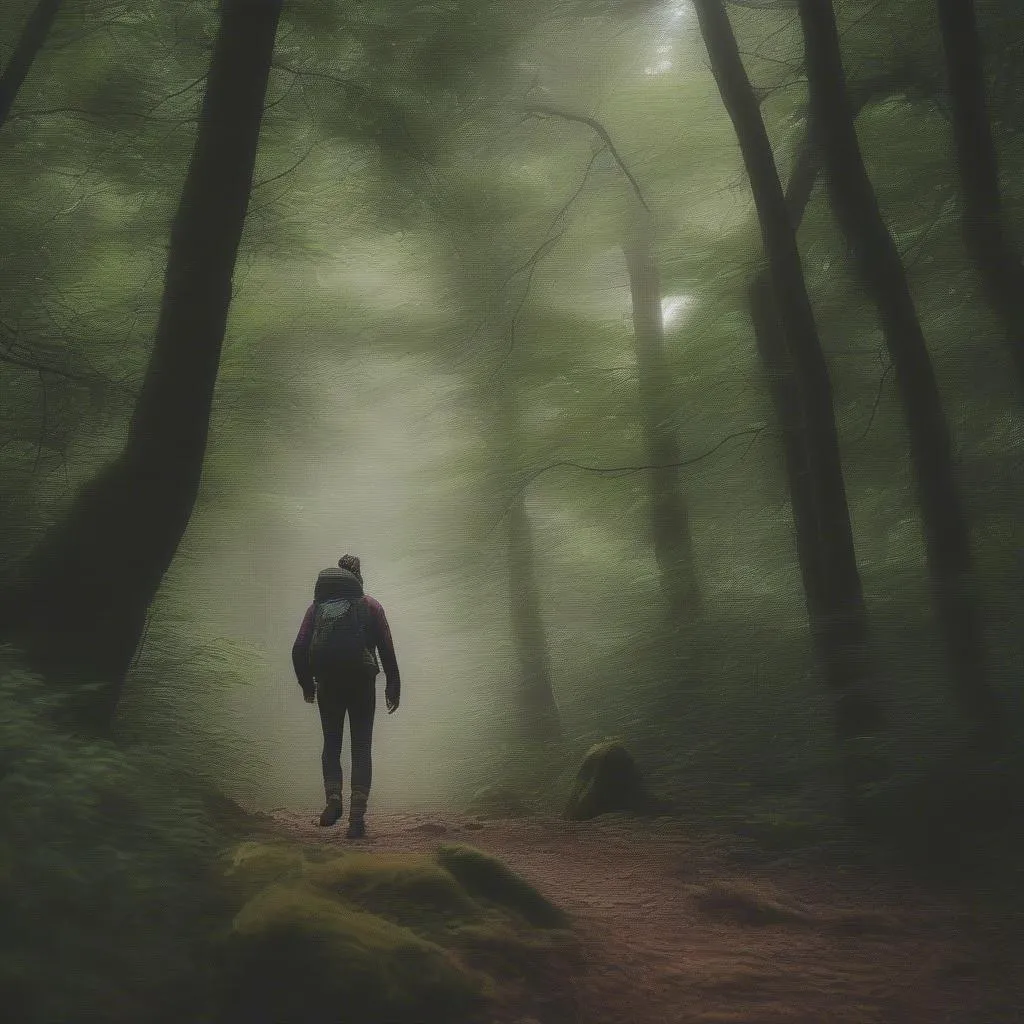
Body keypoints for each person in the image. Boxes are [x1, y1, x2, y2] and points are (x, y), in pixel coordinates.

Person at [291, 554, 400, 838]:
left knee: (331, 741)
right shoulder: (371, 607)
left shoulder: (316, 610)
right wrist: (393, 686)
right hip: (361, 683)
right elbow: (386, 649)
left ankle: (333, 798)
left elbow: (299, 649)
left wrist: (307, 686)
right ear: (358, 576)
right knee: (361, 746)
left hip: (328, 684)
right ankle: (356, 819)